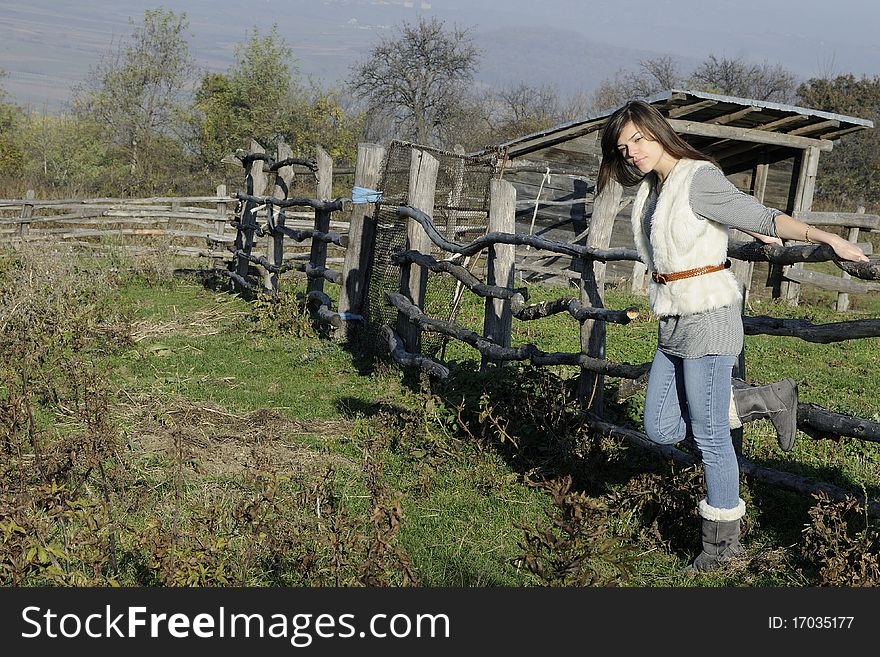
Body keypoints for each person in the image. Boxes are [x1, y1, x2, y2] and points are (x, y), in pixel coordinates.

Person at [596, 99, 869, 573]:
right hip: (672, 317)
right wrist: (739, 226)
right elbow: (707, 225)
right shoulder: (651, 189)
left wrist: (828, 238)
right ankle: (766, 399)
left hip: (709, 314)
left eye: (639, 139)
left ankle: (722, 548)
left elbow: (760, 213)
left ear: (658, 132)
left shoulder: (695, 176)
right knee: (660, 426)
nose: (633, 153)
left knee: (709, 436)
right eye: (624, 148)